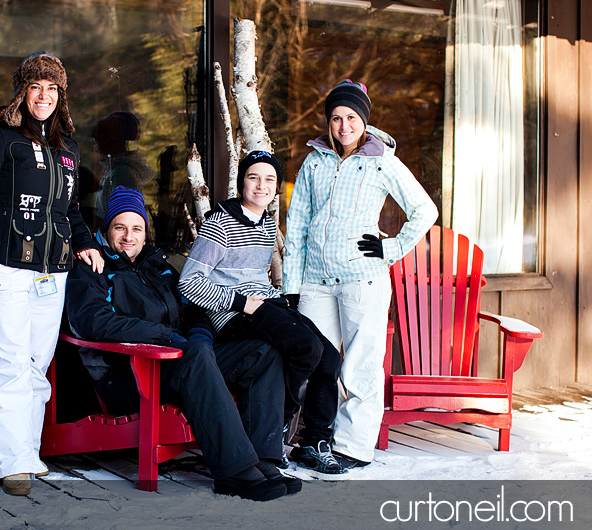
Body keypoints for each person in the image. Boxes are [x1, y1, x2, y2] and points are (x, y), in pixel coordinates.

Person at [65, 186, 299, 501]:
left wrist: (200, 336)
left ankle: (264, 459)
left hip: (181, 361)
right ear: (106, 230)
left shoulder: (157, 265)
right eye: (119, 227)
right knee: (197, 354)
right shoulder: (91, 269)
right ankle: (236, 471)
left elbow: (194, 309)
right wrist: (166, 338)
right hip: (130, 376)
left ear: (146, 233)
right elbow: (93, 322)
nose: (128, 236)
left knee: (263, 353)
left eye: (137, 228)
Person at [0, 51, 104, 496]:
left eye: (52, 89)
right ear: (23, 92)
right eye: (36, 87)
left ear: (61, 96)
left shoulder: (67, 149)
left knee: (37, 366)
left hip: (51, 275)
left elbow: (69, 210)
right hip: (2, 270)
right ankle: (10, 463)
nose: (44, 96)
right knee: (10, 365)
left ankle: (28, 452)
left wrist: (86, 243)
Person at [283, 79, 438, 470]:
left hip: (362, 280)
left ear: (363, 121)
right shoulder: (314, 160)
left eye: (351, 117)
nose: (343, 125)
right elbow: (298, 223)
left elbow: (425, 210)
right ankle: (313, 439)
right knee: (319, 362)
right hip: (316, 281)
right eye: (336, 117)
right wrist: (291, 287)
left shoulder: (381, 159)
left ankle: (352, 447)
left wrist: (392, 248)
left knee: (360, 366)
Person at [178, 151, 344, 474]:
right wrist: (241, 302)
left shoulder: (267, 224)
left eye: (269, 179)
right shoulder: (218, 224)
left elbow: (255, 276)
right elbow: (189, 283)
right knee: (306, 348)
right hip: (233, 314)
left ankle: (314, 441)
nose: (261, 186)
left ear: (277, 187)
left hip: (265, 304)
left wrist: (275, 300)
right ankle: (279, 422)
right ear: (242, 182)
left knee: (330, 358)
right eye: (253, 177)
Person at [91, 111, 154, 226]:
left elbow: (122, 218)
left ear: (111, 141)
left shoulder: (122, 173)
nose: (96, 149)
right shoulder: (115, 170)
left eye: (98, 142)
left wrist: (92, 218)